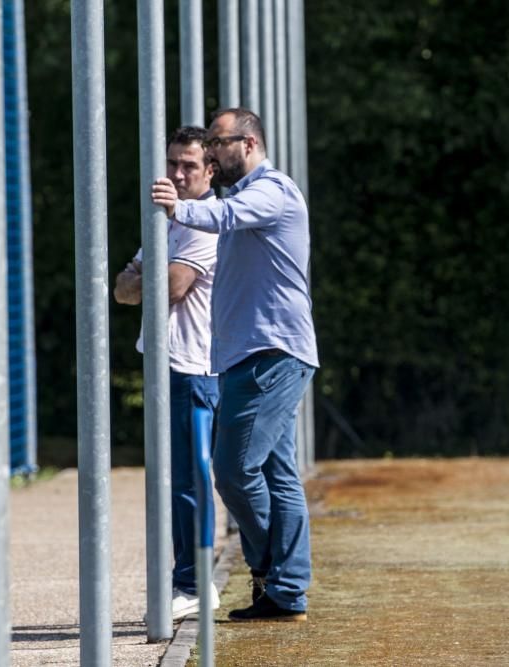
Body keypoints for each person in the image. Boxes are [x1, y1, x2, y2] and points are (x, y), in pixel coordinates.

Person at [150, 108, 318, 622]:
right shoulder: (242, 198)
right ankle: (285, 591)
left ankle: (276, 572)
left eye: (219, 144)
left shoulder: (273, 191)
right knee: (276, 474)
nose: (212, 154)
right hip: (248, 356)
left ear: (247, 144)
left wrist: (178, 207)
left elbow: (220, 216)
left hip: (272, 354)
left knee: (232, 468)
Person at [114, 125, 221, 621]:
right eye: (173, 164)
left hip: (193, 368)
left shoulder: (201, 224)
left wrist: (144, 278)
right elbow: (122, 288)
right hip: (166, 367)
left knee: (189, 480)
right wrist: (142, 279)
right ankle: (189, 581)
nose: (178, 174)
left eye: (189, 166)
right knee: (172, 478)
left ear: (210, 171)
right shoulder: (168, 222)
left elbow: (170, 288)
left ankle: (196, 583)